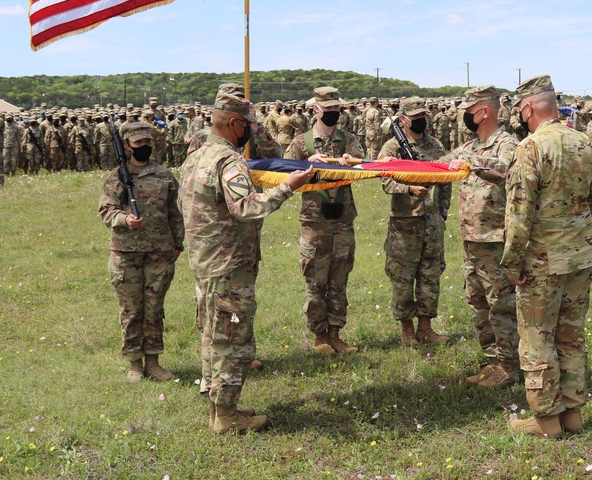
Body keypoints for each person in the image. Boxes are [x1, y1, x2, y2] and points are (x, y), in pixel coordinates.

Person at [181, 90, 313, 433]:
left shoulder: (196, 156)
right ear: (236, 123)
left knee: (213, 335)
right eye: (250, 126)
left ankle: (218, 408)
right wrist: (288, 187)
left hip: (205, 261)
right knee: (232, 339)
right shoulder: (228, 161)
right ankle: (226, 418)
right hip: (228, 264)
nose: (253, 132)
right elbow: (246, 208)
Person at [502, 74, 592, 438]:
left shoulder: (530, 148)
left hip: (542, 263)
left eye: (519, 109)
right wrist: (586, 244)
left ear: (528, 107)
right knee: (571, 336)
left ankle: (545, 421)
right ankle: (572, 415)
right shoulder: (584, 143)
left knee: (537, 338)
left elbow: (519, 214)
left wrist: (512, 261)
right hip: (580, 256)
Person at [443, 86, 519, 387]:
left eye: (468, 109)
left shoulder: (507, 145)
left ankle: (509, 365)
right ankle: (492, 361)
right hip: (471, 239)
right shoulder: (468, 146)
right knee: (477, 302)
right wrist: (380, 166)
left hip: (495, 240)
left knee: (500, 304)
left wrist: (474, 164)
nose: (464, 115)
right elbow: (437, 166)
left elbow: (508, 170)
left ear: (483, 111)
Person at [98, 121, 185, 384]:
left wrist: (178, 245)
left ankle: (154, 362)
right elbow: (106, 210)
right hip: (127, 253)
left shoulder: (164, 175)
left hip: (159, 252)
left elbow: (176, 213)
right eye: (139, 143)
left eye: (148, 142)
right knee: (131, 310)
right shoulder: (116, 177)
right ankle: (135, 363)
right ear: (127, 146)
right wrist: (125, 220)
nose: (145, 147)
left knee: (154, 309)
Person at [284, 86, 364, 355]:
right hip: (314, 221)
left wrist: (350, 163)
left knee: (339, 281)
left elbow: (363, 167)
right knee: (315, 282)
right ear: (316, 110)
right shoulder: (301, 142)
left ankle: (335, 333)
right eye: (328, 110)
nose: (333, 114)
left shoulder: (349, 140)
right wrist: (307, 162)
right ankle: (319, 337)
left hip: (342, 220)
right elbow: (283, 172)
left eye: (336, 110)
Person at [378, 97, 452, 345]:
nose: (422, 120)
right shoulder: (391, 148)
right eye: (415, 116)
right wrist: (408, 189)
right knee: (402, 276)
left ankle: (426, 328)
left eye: (424, 115)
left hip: (431, 221)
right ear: (403, 119)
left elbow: (445, 183)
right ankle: (407, 330)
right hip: (404, 221)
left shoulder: (435, 146)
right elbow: (385, 179)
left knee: (431, 274)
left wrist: (442, 214)